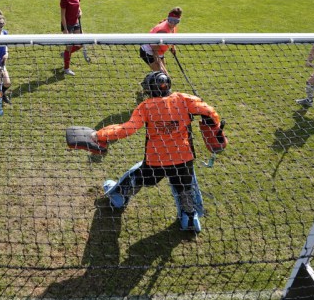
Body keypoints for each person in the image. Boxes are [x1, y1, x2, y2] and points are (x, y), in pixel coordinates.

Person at [93, 71, 224, 232]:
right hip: (183, 158)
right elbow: (210, 112)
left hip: (156, 160)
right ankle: (190, 219)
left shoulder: (146, 106)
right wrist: (211, 127)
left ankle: (119, 197)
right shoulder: (184, 99)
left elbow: (128, 128)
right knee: (185, 187)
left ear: (150, 89)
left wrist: (100, 134)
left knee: (139, 176)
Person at [139, 7, 182, 76]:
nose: (173, 24)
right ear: (168, 18)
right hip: (148, 51)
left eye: (176, 21)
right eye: (171, 20)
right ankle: (147, 84)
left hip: (159, 51)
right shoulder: (162, 32)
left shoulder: (173, 26)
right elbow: (154, 51)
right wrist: (161, 67)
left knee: (163, 75)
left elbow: (172, 34)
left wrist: (173, 47)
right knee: (162, 75)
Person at [60, 0, 83, 76]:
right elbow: (62, 16)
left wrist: (80, 12)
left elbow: (79, 6)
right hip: (67, 25)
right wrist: (65, 30)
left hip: (76, 22)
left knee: (80, 44)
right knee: (69, 47)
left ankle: (65, 54)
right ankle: (66, 68)